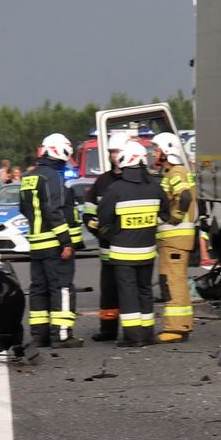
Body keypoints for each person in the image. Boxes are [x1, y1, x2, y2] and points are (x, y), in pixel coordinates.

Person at [98, 140, 169, 347]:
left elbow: (104, 220)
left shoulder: (115, 189)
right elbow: (165, 215)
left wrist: (116, 233)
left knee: (128, 293)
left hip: (122, 252)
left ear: (124, 161)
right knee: (145, 291)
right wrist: (146, 228)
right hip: (147, 251)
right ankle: (147, 333)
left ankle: (133, 336)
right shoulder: (155, 187)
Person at [19, 133, 78, 348]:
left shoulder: (28, 176)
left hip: (36, 243)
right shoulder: (52, 177)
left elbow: (23, 209)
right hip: (54, 243)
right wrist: (66, 241)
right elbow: (54, 211)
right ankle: (61, 335)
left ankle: (39, 334)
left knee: (38, 288)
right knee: (61, 287)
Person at [151, 132, 198, 343]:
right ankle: (181, 325)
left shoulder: (175, 172)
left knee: (173, 281)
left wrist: (174, 218)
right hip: (175, 240)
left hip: (175, 239)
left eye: (156, 149)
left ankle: (176, 328)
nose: (153, 153)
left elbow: (185, 196)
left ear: (167, 151)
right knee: (175, 280)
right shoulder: (173, 171)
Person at [83, 130, 130, 342]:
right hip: (108, 248)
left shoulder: (139, 181)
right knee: (109, 290)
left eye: (117, 151)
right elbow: (89, 211)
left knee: (130, 290)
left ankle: (133, 331)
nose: (114, 156)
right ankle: (108, 329)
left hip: (131, 247)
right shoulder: (102, 182)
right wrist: (98, 229)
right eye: (111, 152)